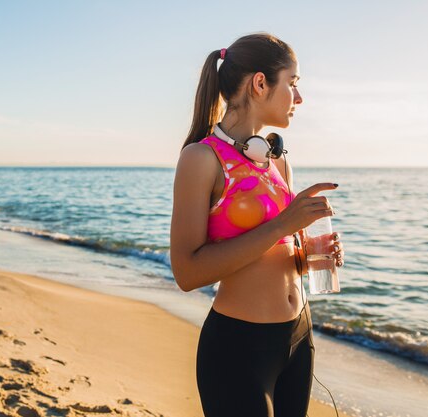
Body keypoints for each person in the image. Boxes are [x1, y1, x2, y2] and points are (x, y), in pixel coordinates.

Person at [170, 32, 345, 417]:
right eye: (293, 84)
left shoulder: (278, 160)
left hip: (299, 336)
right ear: (260, 83)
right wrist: (283, 224)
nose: (299, 98)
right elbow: (187, 272)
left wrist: (311, 254)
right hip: (239, 349)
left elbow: (277, 251)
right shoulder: (201, 159)